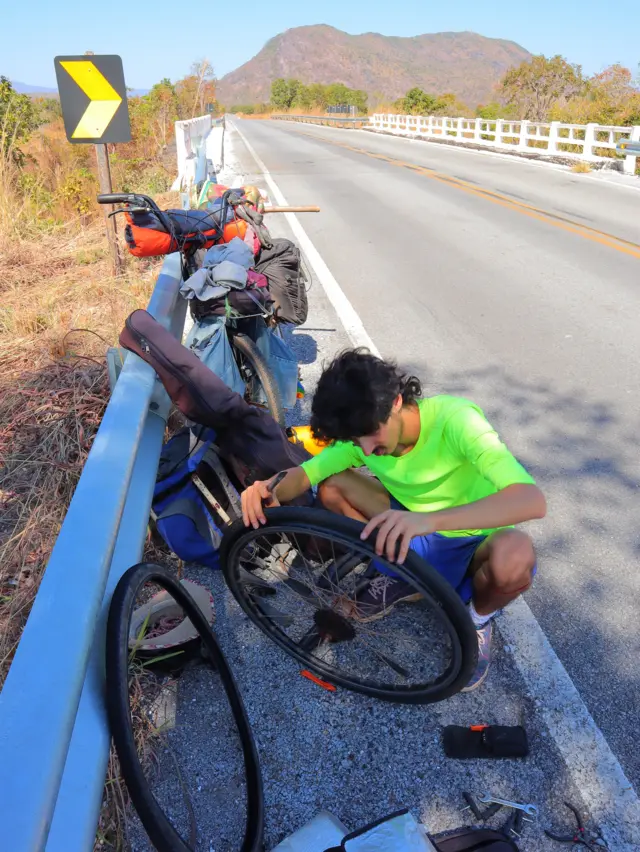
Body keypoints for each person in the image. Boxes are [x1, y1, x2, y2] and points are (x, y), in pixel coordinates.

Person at [241, 349, 546, 691]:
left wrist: (431, 522)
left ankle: (476, 620)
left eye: (371, 436)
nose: (366, 451)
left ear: (397, 401)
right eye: (357, 442)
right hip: (411, 523)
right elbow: (307, 473)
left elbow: (531, 500)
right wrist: (269, 487)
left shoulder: (456, 419)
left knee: (515, 556)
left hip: (472, 536)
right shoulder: (364, 432)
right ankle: (404, 581)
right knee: (333, 487)